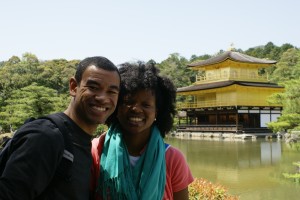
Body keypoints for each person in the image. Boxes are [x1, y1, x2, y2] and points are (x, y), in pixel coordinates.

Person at [0, 56, 120, 200]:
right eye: (93, 87)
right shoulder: (45, 137)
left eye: (111, 92)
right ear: (73, 87)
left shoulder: (82, 142)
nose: (102, 97)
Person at [91, 61, 194, 200]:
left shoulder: (173, 158)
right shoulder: (97, 149)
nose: (136, 109)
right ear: (117, 107)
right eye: (128, 102)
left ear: (157, 112)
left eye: (146, 104)